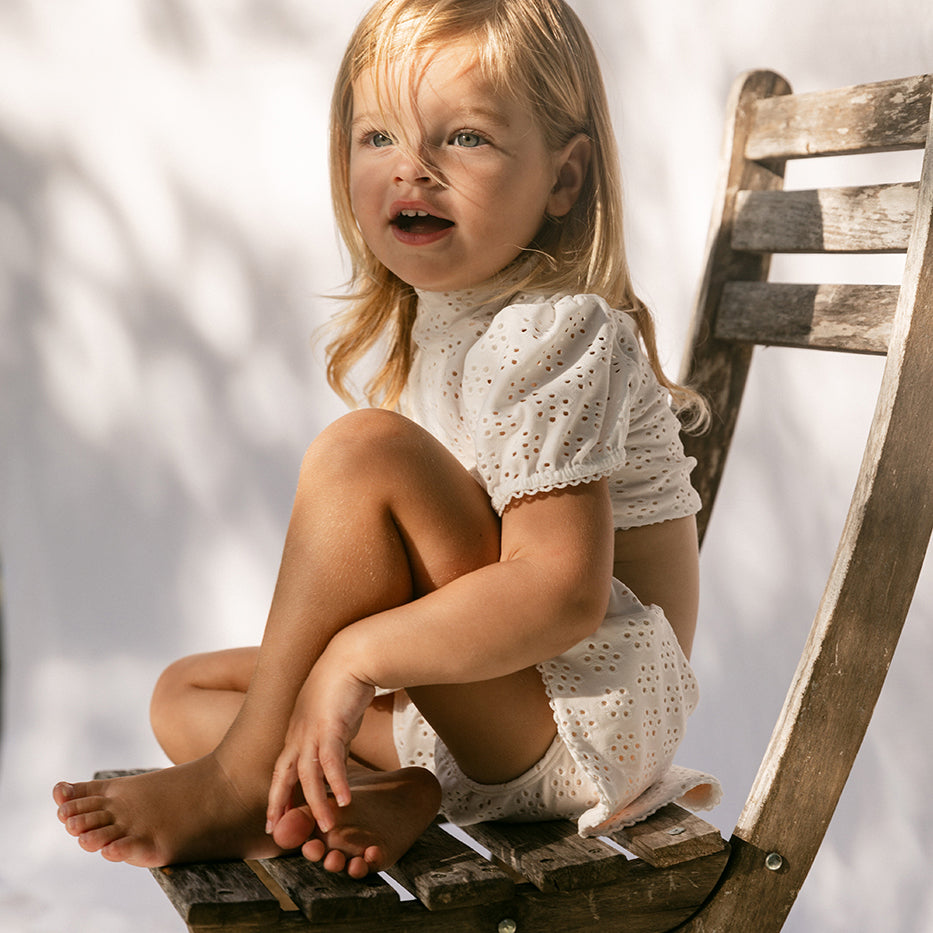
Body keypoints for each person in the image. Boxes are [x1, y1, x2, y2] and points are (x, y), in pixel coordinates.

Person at [54, 0, 720, 880]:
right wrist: (345, 663)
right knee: (185, 692)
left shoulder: (557, 330)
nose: (413, 169)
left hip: (575, 718)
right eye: (377, 138)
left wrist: (357, 654)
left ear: (564, 180)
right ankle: (395, 790)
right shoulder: (447, 319)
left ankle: (246, 782)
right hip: (487, 709)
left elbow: (561, 596)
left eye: (466, 138)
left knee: (364, 448)